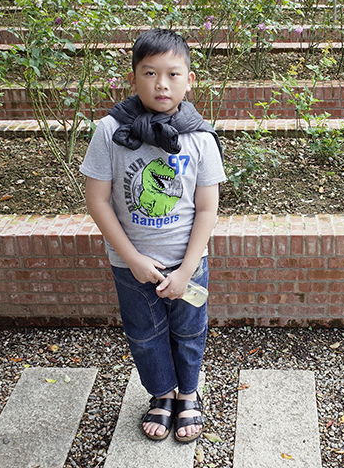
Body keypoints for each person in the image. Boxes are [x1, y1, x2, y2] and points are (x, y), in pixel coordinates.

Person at [81, 29, 226, 443]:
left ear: (189, 80)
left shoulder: (199, 136)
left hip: (187, 262)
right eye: (149, 73)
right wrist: (133, 259)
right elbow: (99, 201)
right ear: (133, 79)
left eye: (172, 74)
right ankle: (162, 395)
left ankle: (188, 393)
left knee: (190, 331)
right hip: (130, 264)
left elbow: (207, 208)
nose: (161, 84)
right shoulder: (110, 132)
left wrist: (187, 268)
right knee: (145, 334)